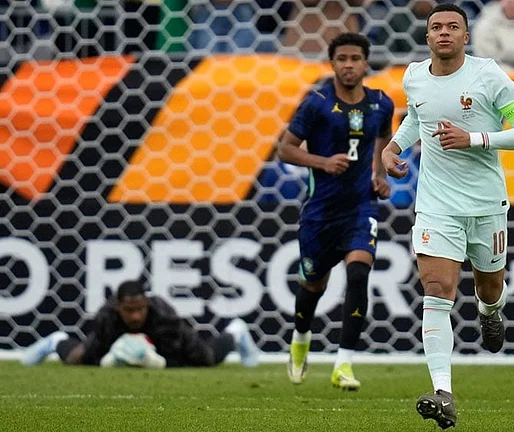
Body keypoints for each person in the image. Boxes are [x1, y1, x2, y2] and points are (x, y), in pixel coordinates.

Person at [381, 4, 514, 428]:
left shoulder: (488, 76)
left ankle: (491, 314)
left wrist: (475, 138)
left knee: (490, 288)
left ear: (466, 36)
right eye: (437, 27)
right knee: (437, 289)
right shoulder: (414, 76)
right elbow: (417, 118)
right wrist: (393, 147)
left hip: (486, 204)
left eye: (454, 27)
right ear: (428, 36)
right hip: (436, 205)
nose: (445, 33)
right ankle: (443, 392)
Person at [277, 32, 394, 391]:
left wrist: (379, 174)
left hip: (361, 207)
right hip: (320, 213)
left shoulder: (380, 103)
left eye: (355, 58)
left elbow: (382, 141)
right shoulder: (316, 103)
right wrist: (323, 162)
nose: (348, 65)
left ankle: (343, 363)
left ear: (365, 63)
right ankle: (300, 339)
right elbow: (285, 149)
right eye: (341, 58)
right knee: (314, 284)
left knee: (359, 275)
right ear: (332, 63)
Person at [21, 280, 259, 368]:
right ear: (118, 308)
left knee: (206, 359)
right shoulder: (107, 317)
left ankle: (235, 332)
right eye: (129, 311)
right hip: (117, 341)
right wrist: (110, 360)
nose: (135, 317)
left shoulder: (164, 317)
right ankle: (56, 341)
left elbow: (177, 359)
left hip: (172, 345)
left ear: (147, 305)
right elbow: (97, 353)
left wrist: (150, 360)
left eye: (140, 310)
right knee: (78, 358)